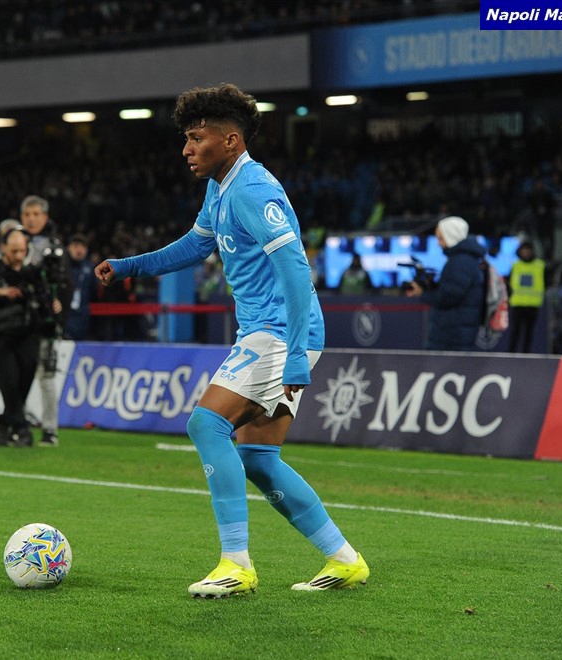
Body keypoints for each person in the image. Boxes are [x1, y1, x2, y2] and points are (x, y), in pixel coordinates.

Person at [95, 83, 368, 598]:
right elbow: (195, 246)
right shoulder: (221, 187)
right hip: (273, 331)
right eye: (186, 138)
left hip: (279, 332)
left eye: (197, 138)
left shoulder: (251, 190)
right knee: (259, 459)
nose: (186, 148)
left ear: (231, 140)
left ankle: (236, 564)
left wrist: (294, 355)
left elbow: (295, 269)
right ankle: (344, 558)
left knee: (206, 424)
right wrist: (132, 266)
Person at [0, 228, 58, 447]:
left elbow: (44, 299)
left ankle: (2, 429)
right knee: (9, 383)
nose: (19, 255)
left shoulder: (32, 272)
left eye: (22, 250)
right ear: (3, 248)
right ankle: (22, 430)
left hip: (29, 335)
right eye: (14, 251)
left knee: (23, 385)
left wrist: (52, 305)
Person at [20, 195, 71, 447]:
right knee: (15, 376)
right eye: (27, 214)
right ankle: (16, 423)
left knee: (46, 377)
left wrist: (60, 309)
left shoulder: (55, 247)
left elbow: (66, 284)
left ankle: (49, 430)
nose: (31, 219)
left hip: (44, 322)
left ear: (45, 217)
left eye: (36, 214)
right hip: (17, 320)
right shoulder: (13, 242)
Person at [406, 216, 486, 351]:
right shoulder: (462, 259)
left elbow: (448, 297)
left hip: (451, 336)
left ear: (451, 236)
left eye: (441, 238)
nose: (438, 243)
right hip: (454, 332)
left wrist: (423, 293)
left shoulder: (460, 262)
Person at [508, 241, 545, 353]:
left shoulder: (540, 265)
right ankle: (511, 354)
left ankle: (526, 354)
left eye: (527, 250)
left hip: (533, 305)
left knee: (529, 333)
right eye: (523, 250)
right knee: (515, 331)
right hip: (517, 304)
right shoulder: (515, 265)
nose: (525, 253)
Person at [63, 233, 94, 341]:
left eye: (83, 247)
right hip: (65, 317)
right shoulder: (61, 268)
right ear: (68, 248)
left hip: (83, 318)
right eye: (76, 246)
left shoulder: (90, 269)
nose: (79, 250)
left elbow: (94, 292)